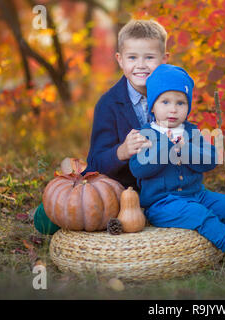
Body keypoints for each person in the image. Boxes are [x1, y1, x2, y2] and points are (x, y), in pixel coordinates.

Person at [129, 64, 225, 270]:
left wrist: (186, 149)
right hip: (162, 203)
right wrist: (167, 147)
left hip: (197, 194)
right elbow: (139, 169)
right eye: (165, 102)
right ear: (152, 106)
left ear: (187, 107)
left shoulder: (191, 132)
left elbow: (211, 159)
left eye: (180, 103)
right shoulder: (145, 135)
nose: (173, 108)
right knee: (198, 214)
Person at [33, 19, 168, 235]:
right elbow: (96, 162)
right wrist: (122, 151)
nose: (141, 65)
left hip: (160, 188)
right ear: (120, 60)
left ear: (164, 59)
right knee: (49, 219)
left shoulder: (170, 98)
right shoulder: (108, 105)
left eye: (149, 58)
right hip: (120, 190)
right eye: (132, 57)